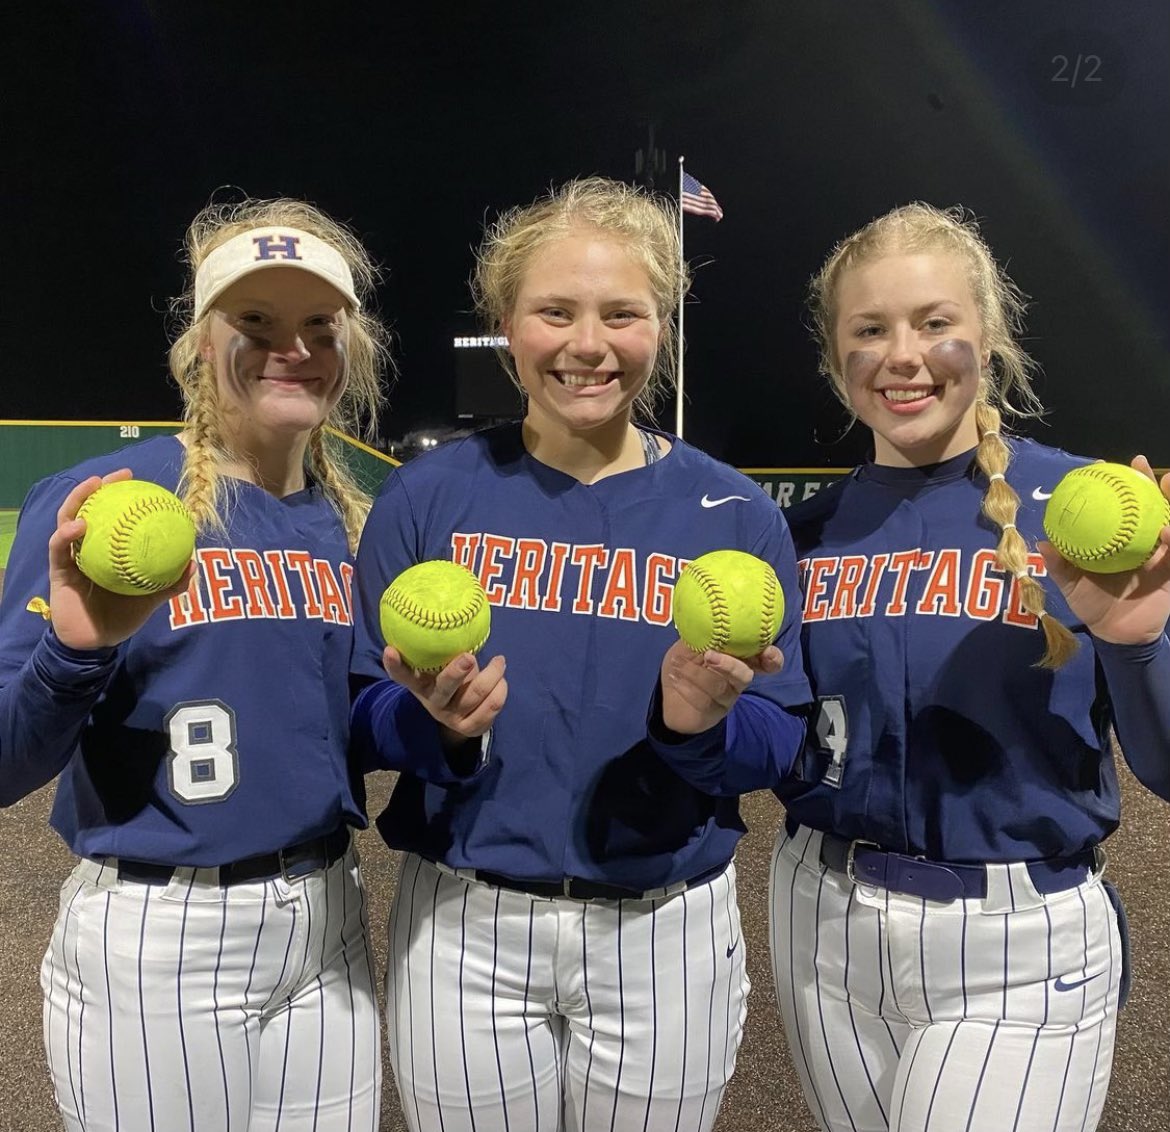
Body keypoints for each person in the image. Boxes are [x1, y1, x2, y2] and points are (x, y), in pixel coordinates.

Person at [350, 176, 812, 1132]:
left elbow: (780, 739)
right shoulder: (427, 497)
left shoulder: (734, 512)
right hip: (465, 923)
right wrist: (435, 726)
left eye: (622, 314)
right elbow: (363, 708)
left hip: (663, 922)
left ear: (661, 327)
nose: (588, 344)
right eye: (555, 311)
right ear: (507, 328)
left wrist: (696, 729)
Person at [769, 202, 1170, 1132]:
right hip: (818, 920)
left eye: (934, 323)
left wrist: (1136, 639)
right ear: (835, 357)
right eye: (870, 330)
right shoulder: (800, 537)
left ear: (986, 338)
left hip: (1016, 940)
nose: (903, 356)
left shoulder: (1078, 511)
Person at [0, 196, 391, 1131]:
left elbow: (354, 730)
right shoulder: (105, 501)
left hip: (329, 921)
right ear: (199, 344)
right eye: (255, 320)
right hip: (161, 933)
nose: (293, 347)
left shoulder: (350, 526)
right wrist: (75, 649)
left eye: (319, 325)